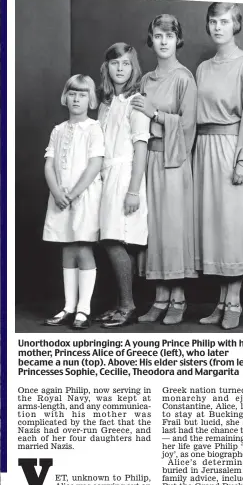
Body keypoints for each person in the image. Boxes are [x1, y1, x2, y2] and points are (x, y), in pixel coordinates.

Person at [194, 3, 243, 329]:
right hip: (204, 152)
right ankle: (221, 302)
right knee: (216, 227)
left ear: (236, 24)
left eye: (224, 21)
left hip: (231, 149)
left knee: (233, 227)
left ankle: (234, 302)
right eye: (213, 21)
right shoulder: (204, 68)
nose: (217, 27)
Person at [131, 15, 197, 324]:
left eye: (169, 36)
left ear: (177, 40)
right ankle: (159, 298)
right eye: (158, 35)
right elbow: (138, 123)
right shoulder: (145, 80)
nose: (163, 41)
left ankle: (178, 299)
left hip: (174, 161)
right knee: (152, 228)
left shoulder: (184, 78)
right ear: (151, 39)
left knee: (172, 228)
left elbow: (187, 127)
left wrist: (155, 113)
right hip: (150, 162)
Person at [42, 75, 104, 330]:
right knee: (66, 247)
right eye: (73, 94)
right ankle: (68, 306)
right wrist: (57, 192)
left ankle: (84, 308)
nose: (77, 99)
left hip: (84, 196)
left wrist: (74, 193)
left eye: (82, 94)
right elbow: (48, 164)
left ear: (91, 100)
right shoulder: (58, 130)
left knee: (83, 247)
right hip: (60, 197)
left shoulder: (94, 128)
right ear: (65, 97)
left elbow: (95, 165)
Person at [96, 43, 149, 329]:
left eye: (126, 64)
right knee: (110, 239)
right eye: (115, 63)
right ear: (107, 68)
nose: (120, 68)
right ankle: (119, 303)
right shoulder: (105, 104)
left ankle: (128, 305)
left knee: (116, 240)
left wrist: (133, 190)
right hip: (105, 175)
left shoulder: (136, 102)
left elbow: (141, 148)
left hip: (126, 175)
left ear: (133, 68)